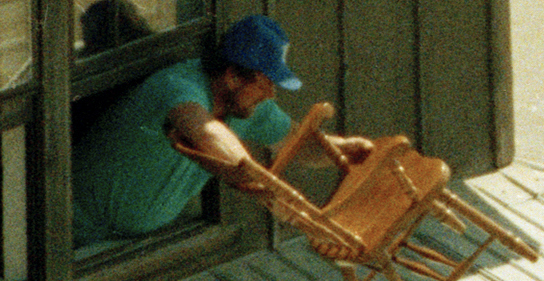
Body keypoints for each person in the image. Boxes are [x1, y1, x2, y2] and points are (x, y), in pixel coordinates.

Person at [73, 12, 348, 247]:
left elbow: (301, 146)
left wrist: (356, 153)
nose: (271, 95)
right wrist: (267, 187)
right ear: (231, 76)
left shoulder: (247, 104)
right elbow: (206, 134)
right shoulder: (179, 89)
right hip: (79, 237)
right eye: (264, 83)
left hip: (134, 242)